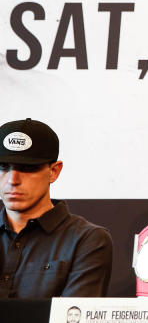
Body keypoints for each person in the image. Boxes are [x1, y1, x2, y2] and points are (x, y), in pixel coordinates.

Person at [0, 118, 112, 298]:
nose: (13, 180)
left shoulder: (87, 240)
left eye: (27, 168)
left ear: (54, 171)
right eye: (3, 167)